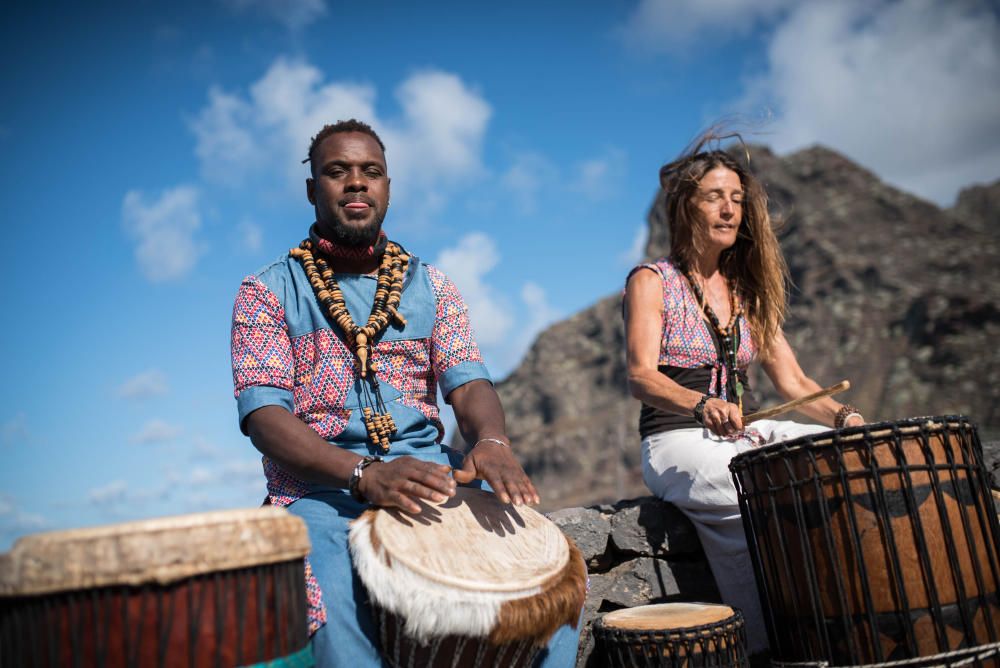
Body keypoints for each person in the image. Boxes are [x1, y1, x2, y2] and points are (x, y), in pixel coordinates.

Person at [231, 119, 580, 666]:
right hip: (319, 497)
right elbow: (265, 416)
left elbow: (467, 381)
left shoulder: (433, 285)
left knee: (547, 591)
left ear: (387, 187)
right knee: (327, 602)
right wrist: (361, 475)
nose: (355, 183)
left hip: (429, 482)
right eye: (337, 171)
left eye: (370, 172)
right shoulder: (266, 290)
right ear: (311, 190)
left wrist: (491, 440)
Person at [622, 133, 865, 654]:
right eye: (714, 196)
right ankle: (766, 648)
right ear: (686, 205)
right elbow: (640, 375)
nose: (730, 209)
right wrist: (700, 403)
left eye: (736, 198)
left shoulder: (747, 292)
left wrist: (844, 417)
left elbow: (796, 385)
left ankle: (841, 621)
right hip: (675, 440)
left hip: (740, 432)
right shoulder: (652, 280)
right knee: (747, 494)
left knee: (833, 460)